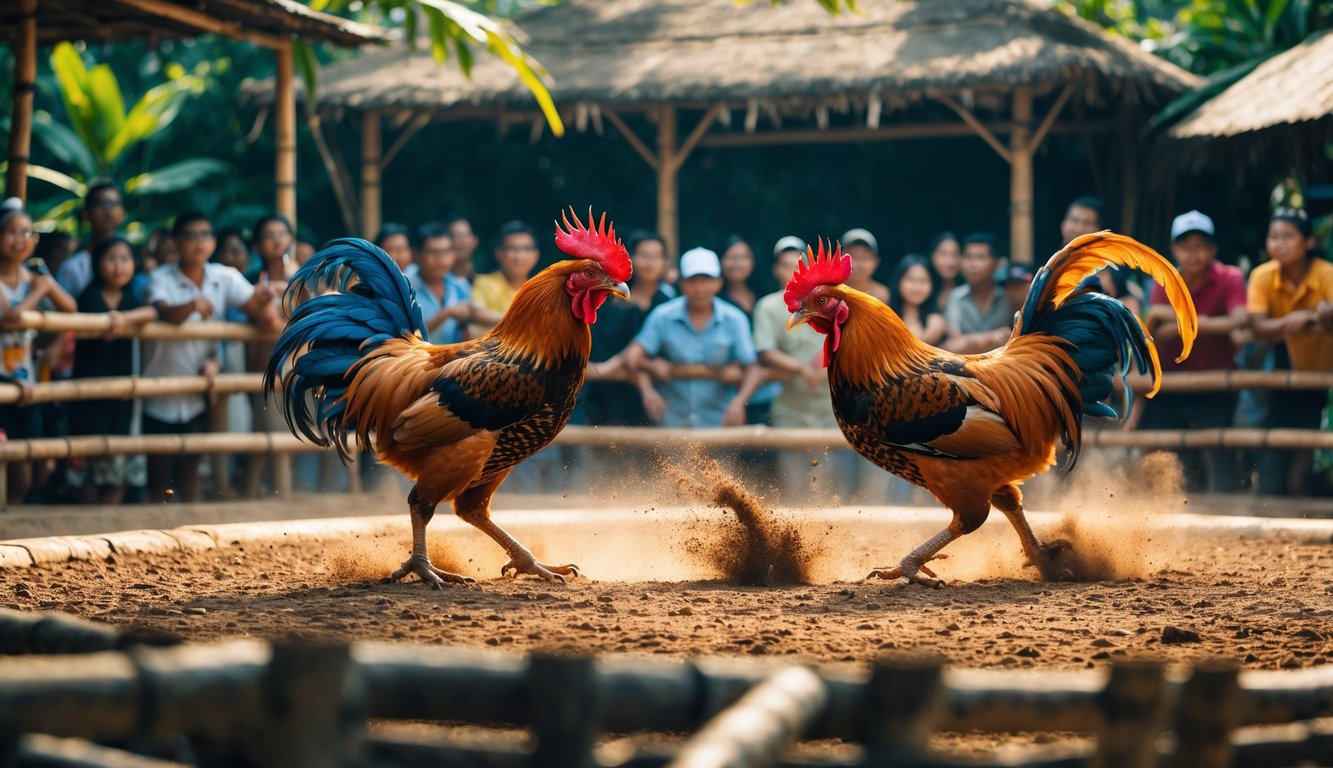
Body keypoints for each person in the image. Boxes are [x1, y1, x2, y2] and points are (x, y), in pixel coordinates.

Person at [141, 212, 277, 503]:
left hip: (200, 390)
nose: (199, 243)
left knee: (190, 474)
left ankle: (189, 535)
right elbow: (164, 311)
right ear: (176, 242)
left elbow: (260, 311)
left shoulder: (224, 276)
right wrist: (191, 305)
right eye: (191, 236)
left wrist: (264, 300)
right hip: (158, 390)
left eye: (205, 235)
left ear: (213, 241)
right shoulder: (160, 277)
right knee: (158, 477)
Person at [1133, 210, 1247, 493]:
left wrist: (1173, 318)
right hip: (1171, 382)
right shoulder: (1165, 279)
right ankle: (1155, 507)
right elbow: (1154, 332)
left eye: (1200, 245)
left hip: (1217, 382)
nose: (1193, 253)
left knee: (1221, 454)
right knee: (1159, 446)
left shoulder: (1230, 277)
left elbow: (1239, 321)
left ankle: (1227, 510)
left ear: (1213, 249)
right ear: (1174, 249)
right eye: (1185, 246)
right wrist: (1209, 323)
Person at [626, 247, 763, 428]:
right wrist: (650, 380)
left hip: (719, 423)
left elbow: (753, 368)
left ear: (719, 283)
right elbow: (632, 356)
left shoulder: (735, 319)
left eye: (706, 280)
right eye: (692, 281)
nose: (699, 288)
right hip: (671, 423)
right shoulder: (663, 316)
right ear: (682, 284)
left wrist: (739, 402)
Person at [1247, 207, 1333, 496]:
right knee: (1275, 434)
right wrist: (1297, 320)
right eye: (1274, 236)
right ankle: (1269, 497)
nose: (1279, 243)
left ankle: (1299, 496)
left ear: (1308, 242)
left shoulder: (1326, 274)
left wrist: (1307, 319)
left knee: (1307, 438)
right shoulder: (1261, 276)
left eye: (1288, 236)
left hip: (1321, 364)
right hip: (1282, 363)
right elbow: (1258, 325)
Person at [0, 198, 77, 504]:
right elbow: (12, 317)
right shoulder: (24, 283)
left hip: (25, 384)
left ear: (35, 240)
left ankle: (12, 516)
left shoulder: (32, 278)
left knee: (32, 468)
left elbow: (70, 308)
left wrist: (45, 287)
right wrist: (40, 290)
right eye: (11, 232)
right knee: (17, 468)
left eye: (25, 233)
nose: (19, 240)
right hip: (5, 385)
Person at [69, 237, 157, 504]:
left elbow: (151, 312)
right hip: (89, 390)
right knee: (89, 460)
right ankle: (86, 516)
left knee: (119, 455)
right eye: (111, 258)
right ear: (97, 263)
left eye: (125, 259)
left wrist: (121, 318)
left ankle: (109, 512)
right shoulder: (90, 296)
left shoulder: (130, 298)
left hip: (122, 391)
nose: (119, 266)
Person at [470, 221, 540, 337]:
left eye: (526, 249)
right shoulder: (484, 282)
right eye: (513, 248)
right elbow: (476, 314)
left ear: (536, 255)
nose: (519, 256)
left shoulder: (539, 290)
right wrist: (525, 321)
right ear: (499, 253)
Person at [943, 233, 1010, 353]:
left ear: (996, 263)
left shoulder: (1008, 297)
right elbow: (953, 345)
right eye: (968, 257)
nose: (972, 264)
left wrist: (968, 342)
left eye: (981, 257)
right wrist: (991, 337)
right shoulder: (956, 296)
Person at [56, 183, 125, 297]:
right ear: (85, 214)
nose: (107, 210)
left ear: (122, 213)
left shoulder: (135, 263)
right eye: (100, 204)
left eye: (113, 203)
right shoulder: (72, 268)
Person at [410, 222, 472, 344]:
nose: (441, 259)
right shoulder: (406, 288)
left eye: (446, 252)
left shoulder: (459, 286)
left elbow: (467, 326)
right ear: (417, 255)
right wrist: (446, 314)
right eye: (433, 252)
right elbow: (407, 338)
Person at [889, 255, 948, 345]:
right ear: (898, 281)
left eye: (923, 280)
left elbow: (919, 346)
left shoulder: (936, 320)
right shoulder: (887, 315)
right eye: (911, 279)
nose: (917, 287)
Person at [841, 227, 890, 303]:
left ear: (876, 262)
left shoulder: (884, 296)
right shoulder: (826, 291)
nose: (855, 264)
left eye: (863, 257)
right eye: (850, 256)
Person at [719, 236, 759, 318]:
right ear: (720, 261)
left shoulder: (763, 294)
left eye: (743, 257)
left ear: (753, 261)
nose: (737, 263)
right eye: (730, 257)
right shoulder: (714, 300)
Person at [927, 231, 963, 309]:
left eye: (955, 254)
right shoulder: (922, 289)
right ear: (932, 256)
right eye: (943, 254)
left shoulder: (969, 290)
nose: (950, 262)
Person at [446, 215, 480, 282]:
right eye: (453, 236)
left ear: (475, 241)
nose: (459, 241)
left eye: (464, 235)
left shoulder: (484, 284)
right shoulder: (437, 283)